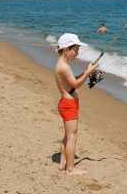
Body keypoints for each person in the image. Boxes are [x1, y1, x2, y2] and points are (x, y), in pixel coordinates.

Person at [55, 33, 97, 175]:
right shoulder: (64, 67)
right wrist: (88, 72)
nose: (77, 54)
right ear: (66, 50)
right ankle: (70, 169)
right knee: (72, 136)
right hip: (69, 105)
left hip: (66, 104)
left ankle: (63, 163)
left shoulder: (62, 65)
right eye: (76, 51)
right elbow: (76, 84)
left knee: (67, 135)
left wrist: (86, 72)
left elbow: (72, 81)